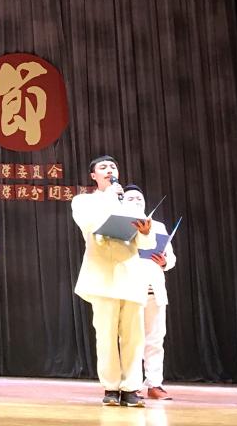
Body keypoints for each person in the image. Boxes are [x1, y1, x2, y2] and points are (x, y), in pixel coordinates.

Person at [71, 155, 155, 407]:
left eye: (113, 167)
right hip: (102, 276)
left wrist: (145, 231)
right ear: (93, 176)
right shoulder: (84, 201)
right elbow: (88, 223)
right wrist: (109, 196)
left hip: (131, 274)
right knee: (106, 335)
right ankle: (111, 387)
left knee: (133, 336)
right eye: (103, 167)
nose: (109, 170)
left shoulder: (129, 204)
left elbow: (145, 243)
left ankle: (131, 388)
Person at [121, 184, 177, 401]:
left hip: (155, 289)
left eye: (139, 198)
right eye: (131, 198)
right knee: (132, 340)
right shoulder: (119, 225)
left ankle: (155, 384)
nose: (136, 201)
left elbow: (171, 258)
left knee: (155, 339)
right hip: (130, 288)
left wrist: (165, 262)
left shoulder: (159, 226)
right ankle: (131, 385)